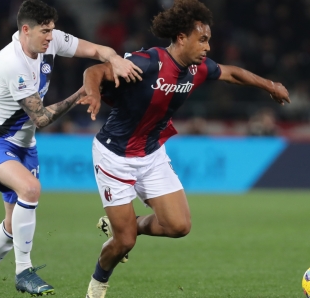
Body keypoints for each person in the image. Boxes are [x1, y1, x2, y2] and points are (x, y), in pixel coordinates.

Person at [76, 1, 290, 297]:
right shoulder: (150, 62)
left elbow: (233, 73)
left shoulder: (198, 69)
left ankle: (130, 224)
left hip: (151, 154)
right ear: (180, 38)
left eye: (209, 40)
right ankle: (98, 284)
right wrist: (93, 92)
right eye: (202, 39)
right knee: (123, 243)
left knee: (179, 226)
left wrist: (270, 85)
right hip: (114, 156)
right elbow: (96, 70)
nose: (208, 47)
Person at [0, 1, 142, 297]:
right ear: (25, 30)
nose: (50, 37)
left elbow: (96, 50)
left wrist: (114, 59)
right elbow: (41, 118)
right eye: (45, 31)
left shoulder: (51, 40)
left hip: (25, 146)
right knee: (30, 190)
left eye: (52, 30)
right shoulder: (11, 62)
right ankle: (23, 271)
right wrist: (83, 91)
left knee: (11, 223)